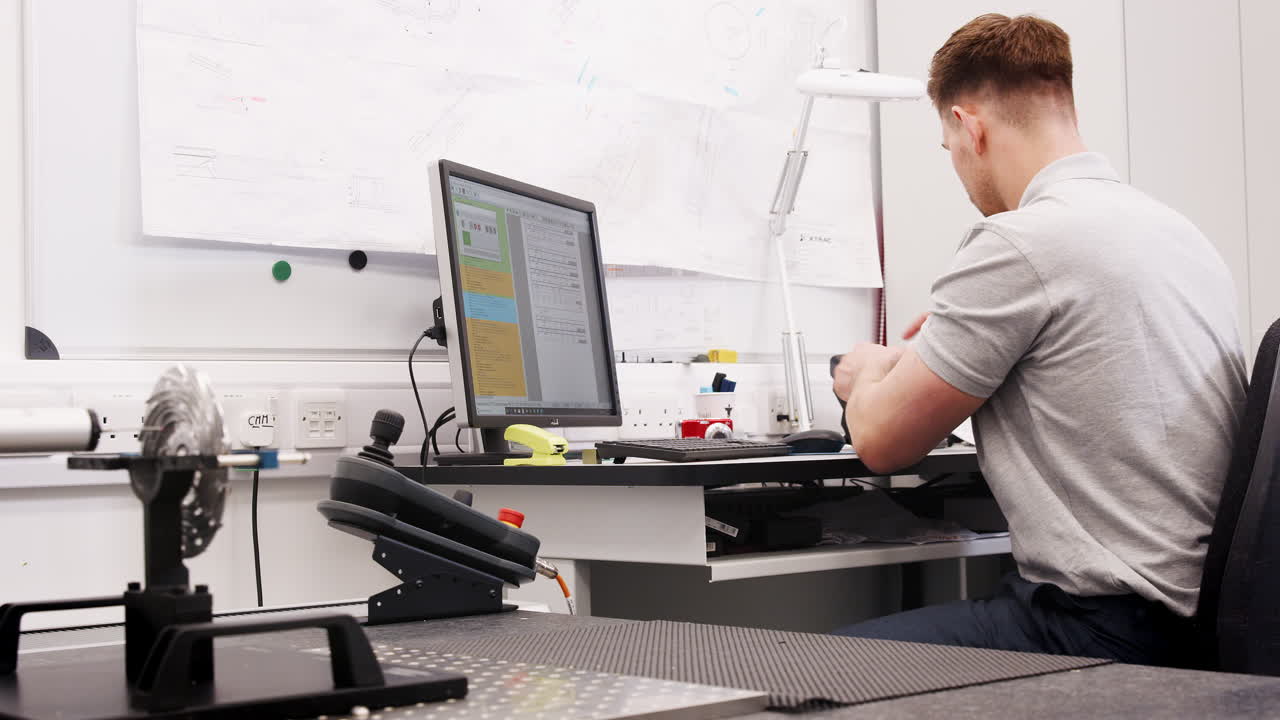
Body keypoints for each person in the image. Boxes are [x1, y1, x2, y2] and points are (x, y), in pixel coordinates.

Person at [830, 13, 1246, 666]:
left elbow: (882, 441)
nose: (960, 172)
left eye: (950, 151)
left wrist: (868, 374)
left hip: (1103, 630)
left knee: (796, 662)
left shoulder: (1022, 242)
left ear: (970, 127)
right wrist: (930, 361)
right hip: (1209, 623)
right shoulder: (1177, 234)